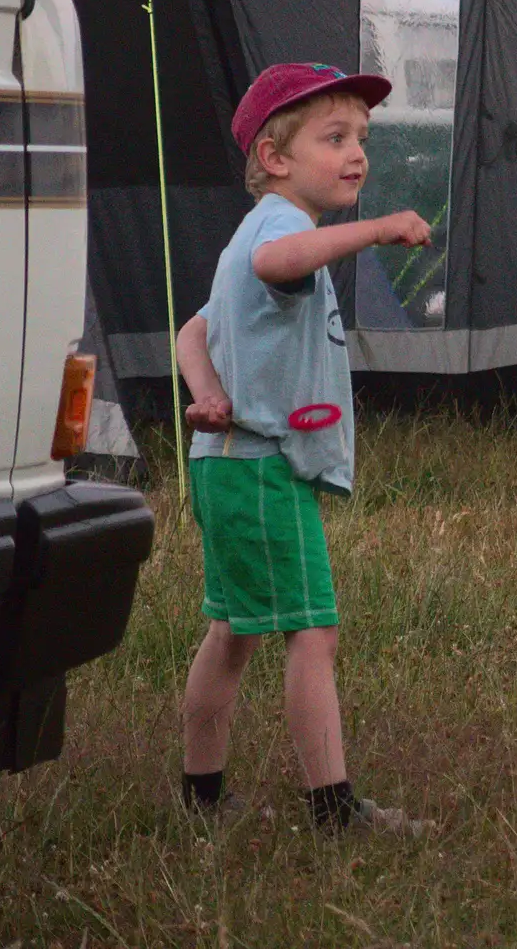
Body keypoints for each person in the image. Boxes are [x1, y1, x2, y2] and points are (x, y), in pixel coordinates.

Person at [173, 62, 432, 834]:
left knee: (233, 631)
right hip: (261, 467)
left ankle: (201, 798)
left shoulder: (261, 227)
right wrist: (380, 230)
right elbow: (275, 267)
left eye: (362, 138)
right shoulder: (281, 228)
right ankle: (333, 808)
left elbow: (194, 329)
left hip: (230, 465)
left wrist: (205, 390)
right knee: (311, 632)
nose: (357, 153)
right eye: (335, 138)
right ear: (276, 159)